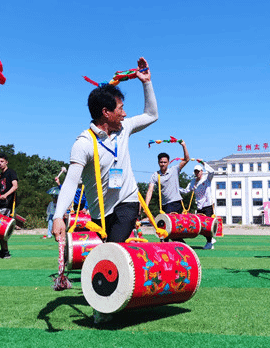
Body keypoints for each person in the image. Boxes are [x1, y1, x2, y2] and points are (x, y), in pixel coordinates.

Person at [52, 57, 157, 245]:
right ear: (106, 112)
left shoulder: (125, 127)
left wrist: (147, 83)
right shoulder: (84, 143)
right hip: (100, 212)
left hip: (127, 200)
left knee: (115, 248)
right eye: (121, 109)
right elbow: (71, 182)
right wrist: (58, 216)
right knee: (104, 254)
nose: (124, 114)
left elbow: (151, 115)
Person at [145, 142, 190, 214]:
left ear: (168, 162)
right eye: (161, 162)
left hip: (175, 203)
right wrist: (146, 205)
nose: (163, 164)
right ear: (158, 163)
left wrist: (184, 145)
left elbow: (186, 159)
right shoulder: (155, 175)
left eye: (165, 162)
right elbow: (150, 190)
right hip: (164, 205)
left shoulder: (174, 170)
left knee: (171, 223)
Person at [182, 159, 216, 249]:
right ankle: (210, 240)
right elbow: (186, 191)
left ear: (202, 171)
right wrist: (176, 188)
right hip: (199, 206)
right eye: (195, 172)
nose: (197, 173)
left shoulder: (207, 178)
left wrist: (203, 162)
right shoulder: (193, 182)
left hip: (208, 205)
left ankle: (209, 242)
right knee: (200, 227)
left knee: (207, 225)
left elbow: (212, 171)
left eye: (199, 171)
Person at [0, 153, 19, 259]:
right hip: (2, 204)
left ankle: (5, 252)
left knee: (2, 229)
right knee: (0, 229)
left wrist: (5, 195)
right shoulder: (0, 176)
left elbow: (15, 186)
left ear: (6, 162)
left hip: (8, 204)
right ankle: (4, 250)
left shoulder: (11, 172)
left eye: (2, 161)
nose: (0, 163)